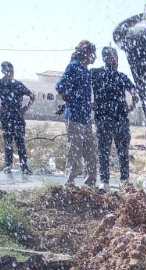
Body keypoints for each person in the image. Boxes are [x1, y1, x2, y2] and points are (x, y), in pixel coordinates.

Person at [91, 47, 139, 191]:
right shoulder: (95, 73)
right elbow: (82, 87)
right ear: (104, 58)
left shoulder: (121, 76)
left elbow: (134, 90)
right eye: (110, 56)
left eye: (115, 57)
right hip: (103, 119)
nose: (114, 59)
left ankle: (124, 181)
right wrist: (89, 103)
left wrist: (133, 103)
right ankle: (104, 182)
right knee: (103, 151)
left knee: (123, 151)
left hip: (120, 119)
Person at [56, 40, 97, 187]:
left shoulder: (86, 71)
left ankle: (90, 183)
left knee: (90, 151)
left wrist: (89, 105)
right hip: (74, 117)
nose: (93, 56)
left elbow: (80, 93)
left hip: (85, 117)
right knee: (75, 151)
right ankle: (69, 184)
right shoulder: (74, 66)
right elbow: (60, 86)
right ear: (86, 54)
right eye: (92, 53)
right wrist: (70, 100)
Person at [0, 62, 35, 174]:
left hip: (18, 117)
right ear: (3, 71)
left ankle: (24, 167)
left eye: (12, 70)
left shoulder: (18, 85)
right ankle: (8, 166)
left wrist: (26, 107)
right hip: (6, 118)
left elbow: (32, 96)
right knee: (8, 142)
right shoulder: (1, 84)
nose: (10, 73)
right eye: (8, 70)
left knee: (20, 143)